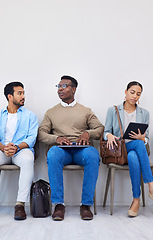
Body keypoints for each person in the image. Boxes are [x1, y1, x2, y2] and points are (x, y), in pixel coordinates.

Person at [38, 75, 104, 221]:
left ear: (73, 89)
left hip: (81, 150)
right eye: (58, 87)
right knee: (53, 154)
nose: (60, 90)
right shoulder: (51, 112)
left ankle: (86, 205)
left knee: (93, 155)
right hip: (62, 150)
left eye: (64, 86)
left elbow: (99, 129)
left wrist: (88, 133)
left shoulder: (86, 111)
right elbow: (41, 134)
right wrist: (57, 139)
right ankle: (59, 204)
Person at [0, 82, 38, 221]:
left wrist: (16, 147)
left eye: (23, 93)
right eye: (19, 93)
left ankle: (20, 205)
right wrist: (4, 148)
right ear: (10, 96)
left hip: (21, 150)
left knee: (28, 160)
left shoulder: (30, 116)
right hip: (1, 150)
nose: (23, 96)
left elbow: (31, 138)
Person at [103, 81, 153, 217]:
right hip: (119, 150)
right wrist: (109, 135)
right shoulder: (113, 110)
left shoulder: (144, 113)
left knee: (134, 154)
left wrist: (143, 138)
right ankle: (152, 187)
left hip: (134, 152)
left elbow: (146, 138)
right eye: (132, 92)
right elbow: (106, 131)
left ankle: (136, 200)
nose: (135, 96)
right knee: (137, 144)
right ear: (125, 92)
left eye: (138, 94)